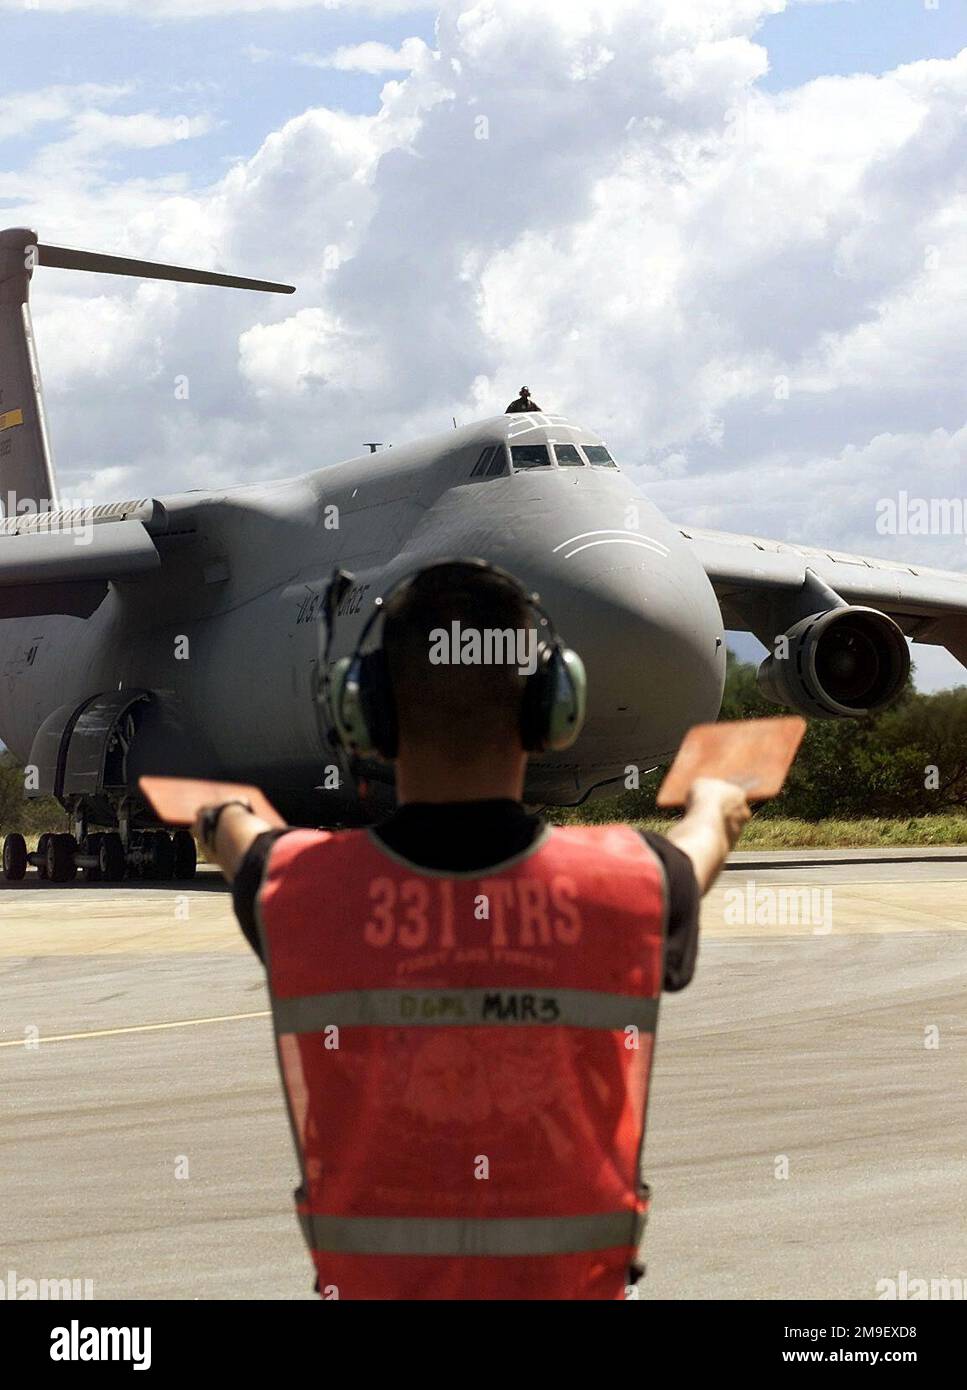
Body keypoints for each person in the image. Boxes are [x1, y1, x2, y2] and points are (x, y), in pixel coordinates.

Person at [196, 559, 750, 1300]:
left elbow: (244, 843)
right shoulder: (635, 882)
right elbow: (697, 849)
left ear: (368, 715)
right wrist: (713, 806)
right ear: (552, 709)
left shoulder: (294, 886)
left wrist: (223, 816)